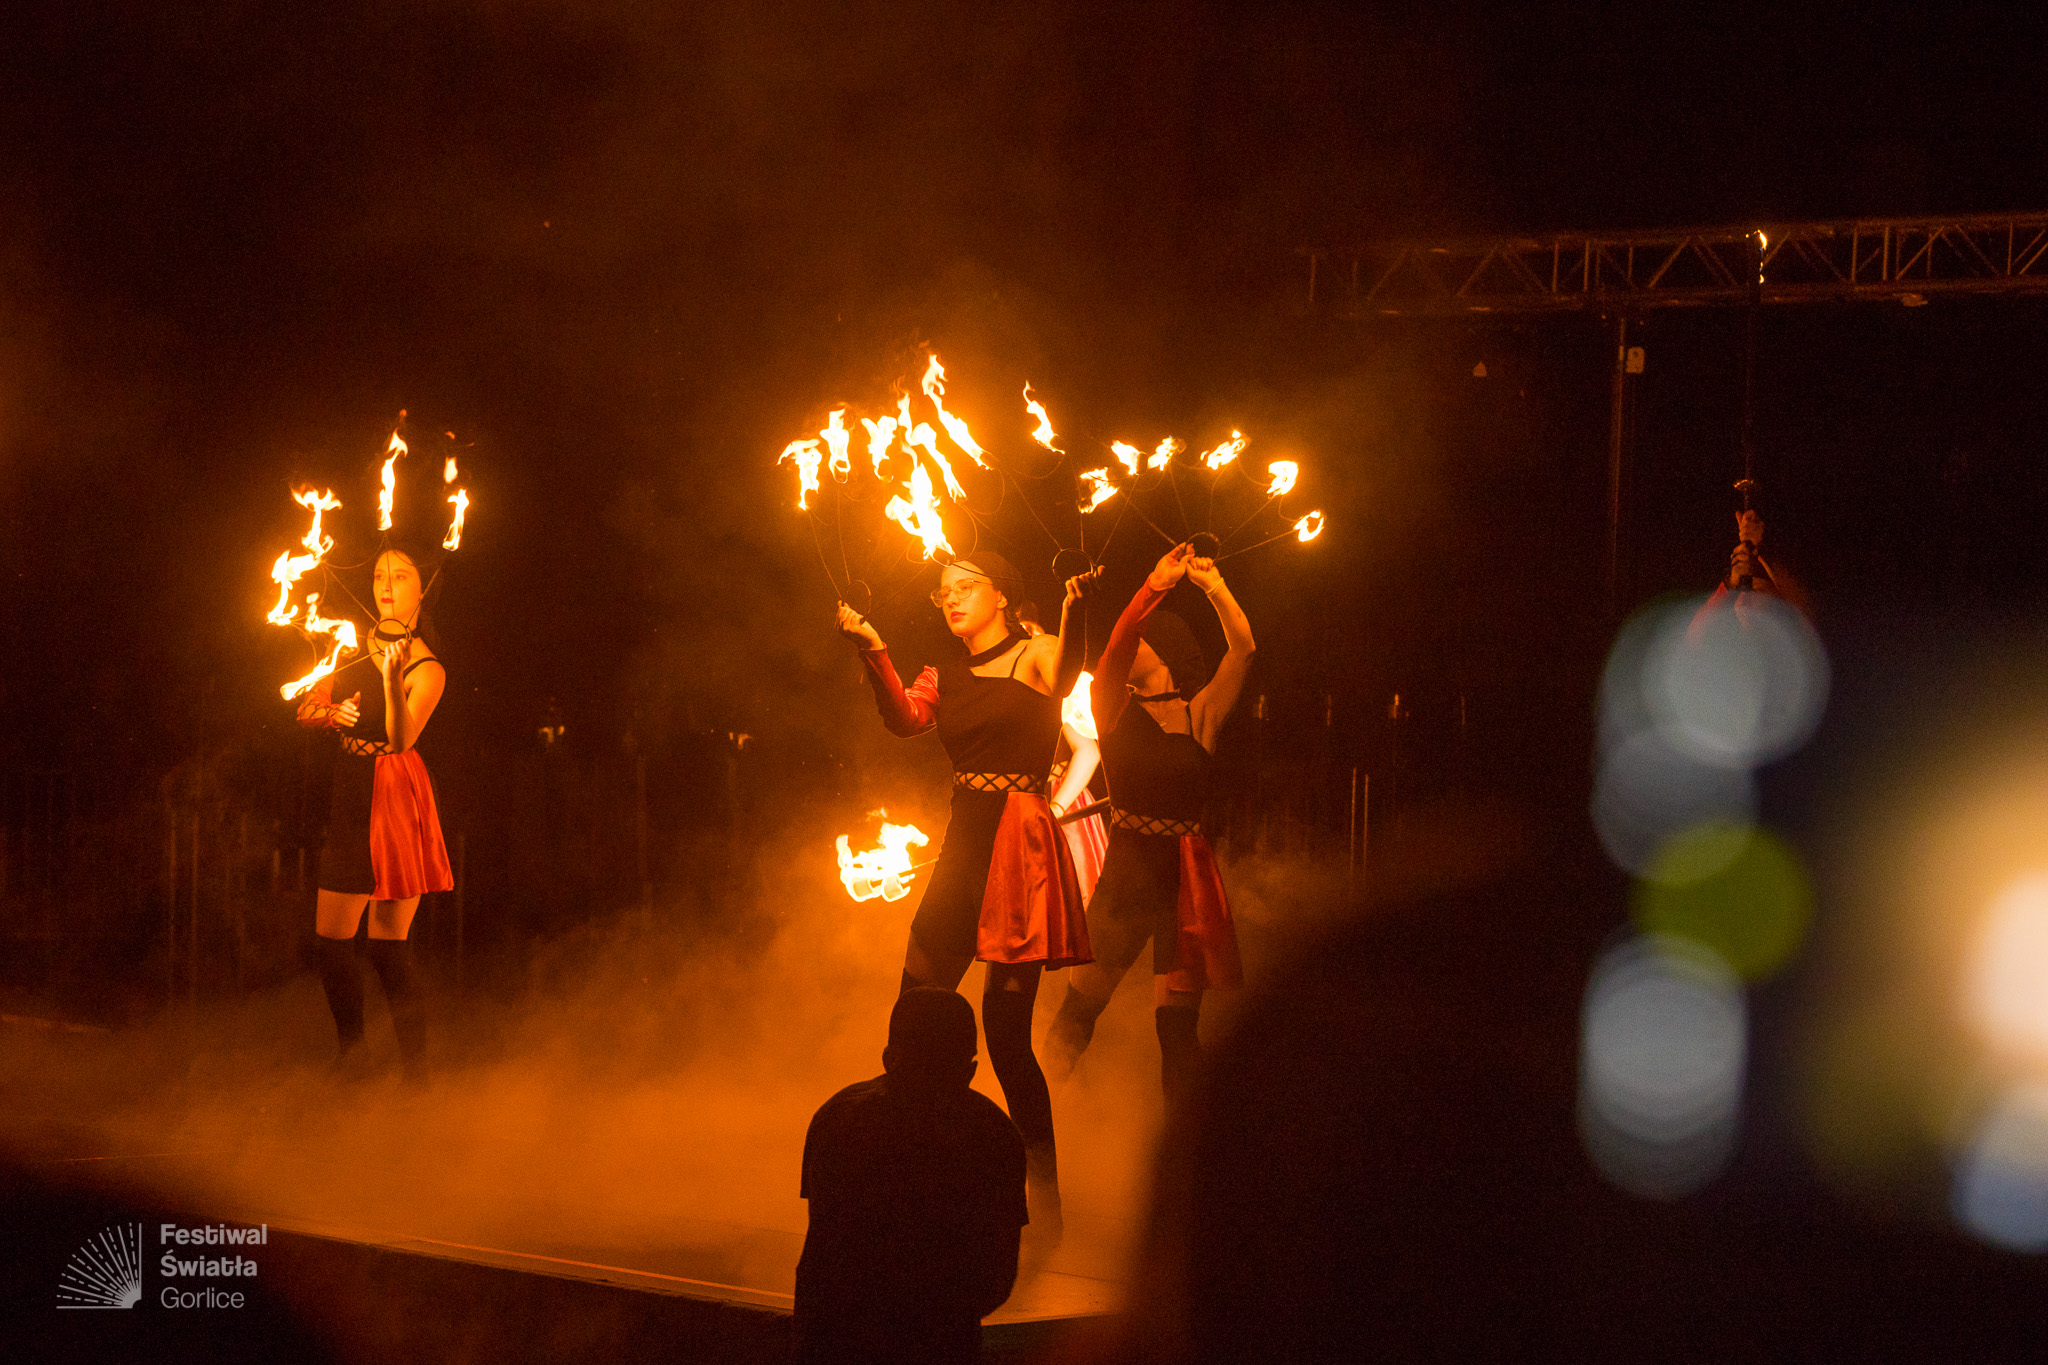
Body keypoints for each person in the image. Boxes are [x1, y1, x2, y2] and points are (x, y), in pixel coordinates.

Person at [834, 551, 1095, 1251]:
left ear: (1000, 594)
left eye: (965, 586)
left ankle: (1046, 1200)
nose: (950, 599)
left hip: (1020, 850)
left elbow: (1068, 670)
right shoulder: (941, 673)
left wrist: (1075, 606)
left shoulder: (1038, 651)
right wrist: (874, 648)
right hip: (963, 847)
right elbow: (904, 719)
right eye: (942, 591)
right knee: (912, 1017)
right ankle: (903, 1182)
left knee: (1006, 1039)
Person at [1043, 543, 1254, 1111]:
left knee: (1179, 1037)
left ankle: (1181, 1169)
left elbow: (1244, 648)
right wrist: (1155, 584)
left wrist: (1214, 586)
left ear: (1162, 653)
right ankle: (1028, 1132)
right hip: (1128, 878)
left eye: (1145, 638)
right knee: (1078, 1014)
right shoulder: (1111, 708)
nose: (1131, 646)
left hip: (1185, 883)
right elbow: (1115, 643)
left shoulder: (1201, 713)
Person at [794, 987, 1027, 1365]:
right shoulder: (994, 1135)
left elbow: (823, 1248)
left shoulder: (838, 1118)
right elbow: (998, 1275)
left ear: (889, 1059)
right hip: (940, 1344)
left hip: (832, 1340)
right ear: (970, 1070)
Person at [295, 545, 452, 1081]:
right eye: (380, 575)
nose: (386, 584)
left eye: (400, 575)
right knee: (331, 942)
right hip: (348, 787)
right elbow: (306, 708)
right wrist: (331, 711)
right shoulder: (342, 642)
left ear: (421, 589)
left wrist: (390, 677)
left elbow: (401, 738)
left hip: (393, 789)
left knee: (389, 947)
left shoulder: (429, 669)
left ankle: (418, 1076)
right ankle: (352, 1058)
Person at [1017, 601, 1109, 902]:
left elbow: (1088, 751)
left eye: (1031, 629)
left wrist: (1057, 807)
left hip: (1058, 799)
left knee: (1065, 902)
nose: (1028, 637)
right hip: (1013, 804)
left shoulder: (1056, 686)